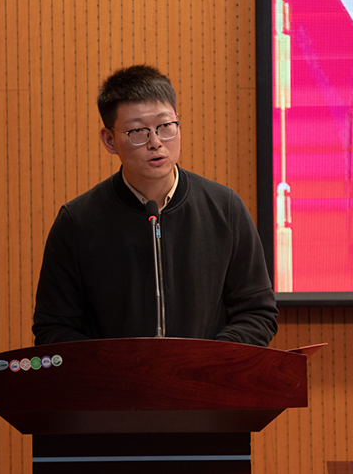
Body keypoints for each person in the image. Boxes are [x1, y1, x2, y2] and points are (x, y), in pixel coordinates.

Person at [32, 65, 278, 346]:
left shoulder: (225, 209)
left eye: (166, 126)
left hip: (206, 373)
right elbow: (53, 328)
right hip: (116, 375)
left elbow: (257, 312)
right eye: (138, 131)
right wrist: (116, 365)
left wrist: (208, 361)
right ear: (110, 140)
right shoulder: (77, 222)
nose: (156, 142)